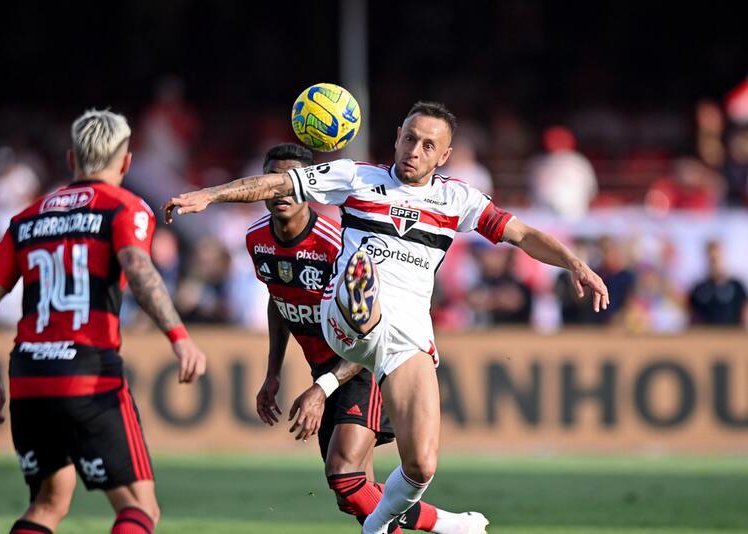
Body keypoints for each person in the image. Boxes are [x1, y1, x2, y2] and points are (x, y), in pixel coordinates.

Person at [164, 101, 610, 534]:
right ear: (397, 138)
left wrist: (576, 264)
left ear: (445, 155)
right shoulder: (355, 177)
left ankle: (379, 527)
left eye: (428, 146)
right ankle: (360, 287)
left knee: (420, 466)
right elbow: (280, 185)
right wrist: (210, 195)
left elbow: (523, 234)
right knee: (364, 279)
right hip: (346, 320)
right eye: (409, 139)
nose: (415, 151)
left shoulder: (457, 200)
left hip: (406, 339)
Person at [0, 109, 207, 534]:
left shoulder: (27, 218)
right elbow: (137, 268)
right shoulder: (125, 207)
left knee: (46, 504)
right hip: (87, 373)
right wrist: (179, 336)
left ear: (70, 159)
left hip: (28, 374)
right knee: (139, 508)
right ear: (126, 162)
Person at [249, 143, 451, 533]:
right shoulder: (256, 238)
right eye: (275, 183)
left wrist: (321, 389)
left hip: (361, 365)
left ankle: (444, 524)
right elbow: (278, 299)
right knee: (354, 496)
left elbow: (370, 323)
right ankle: (451, 524)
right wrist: (272, 372)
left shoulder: (335, 243)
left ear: (309, 189)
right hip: (323, 371)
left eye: (291, 185)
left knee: (344, 474)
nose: (282, 194)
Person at [688, 241, 747, 326]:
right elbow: (691, 313)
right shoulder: (699, 288)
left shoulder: (737, 286)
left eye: (717, 258)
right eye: (712, 259)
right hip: (705, 337)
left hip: (731, 336)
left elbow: (744, 314)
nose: (715, 263)